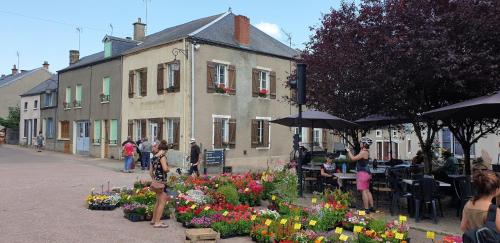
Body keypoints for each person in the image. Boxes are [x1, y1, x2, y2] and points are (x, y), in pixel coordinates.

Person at [347, 137, 375, 214]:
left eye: (361, 143)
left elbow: (353, 158)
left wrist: (348, 151)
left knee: (364, 192)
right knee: (367, 191)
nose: (360, 144)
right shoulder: (364, 151)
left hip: (362, 174)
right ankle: (372, 207)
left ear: (364, 144)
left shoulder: (363, 152)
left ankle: (366, 209)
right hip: (367, 173)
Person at [149, 140, 170, 228]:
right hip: (162, 182)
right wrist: (168, 169)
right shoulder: (162, 156)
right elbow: (165, 169)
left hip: (156, 181)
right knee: (162, 202)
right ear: (164, 150)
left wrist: (154, 179)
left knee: (157, 201)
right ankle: (157, 222)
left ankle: (153, 220)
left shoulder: (154, 157)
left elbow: (150, 172)